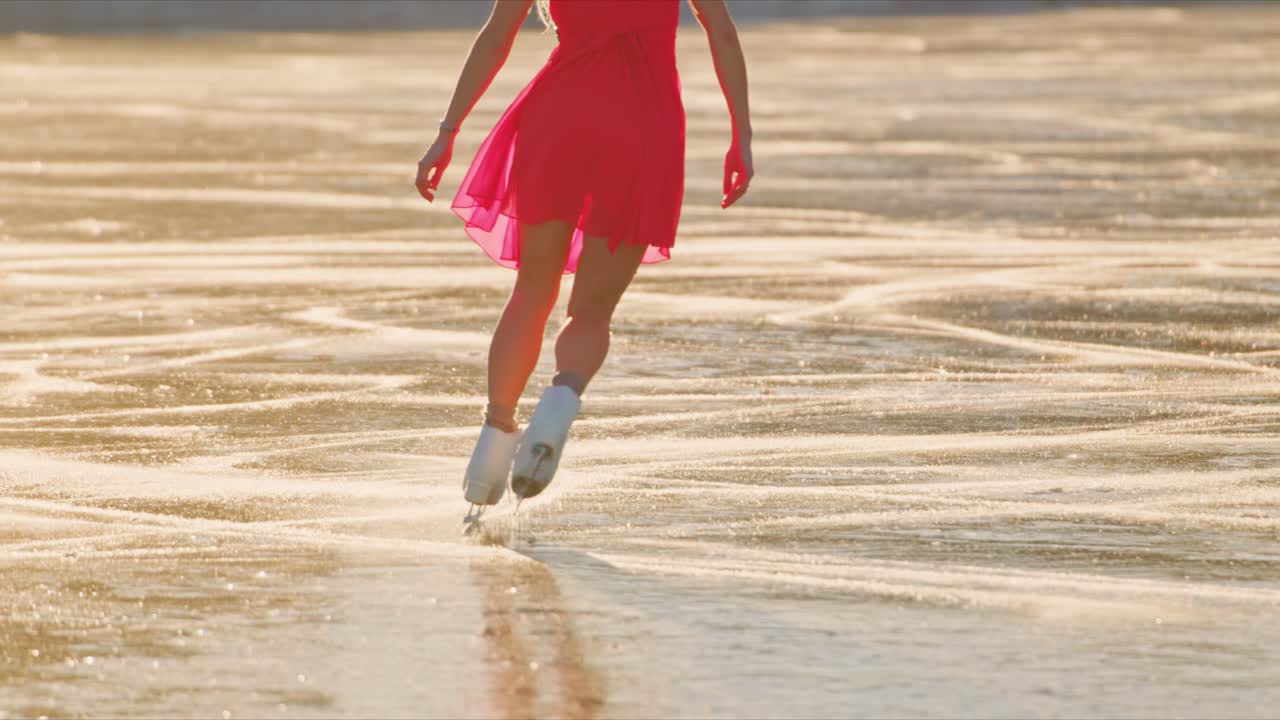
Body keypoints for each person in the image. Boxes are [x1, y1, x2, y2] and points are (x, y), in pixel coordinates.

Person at [414, 0, 753, 515]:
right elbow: (721, 33)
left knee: (533, 289)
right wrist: (741, 136)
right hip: (643, 124)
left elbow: (498, 34)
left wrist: (447, 133)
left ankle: (493, 441)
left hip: (560, 115)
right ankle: (558, 405)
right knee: (591, 312)